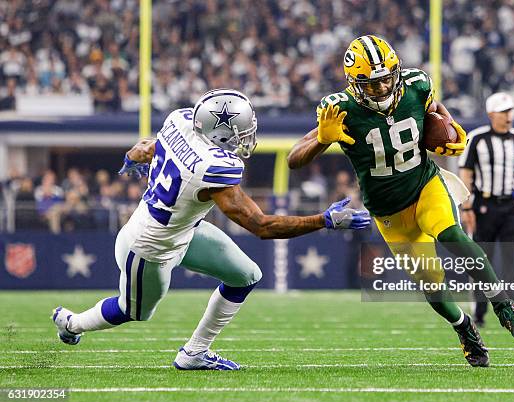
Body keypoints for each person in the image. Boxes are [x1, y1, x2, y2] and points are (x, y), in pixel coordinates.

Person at [51, 89, 370, 370]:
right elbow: (261, 226)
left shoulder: (180, 120)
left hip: (181, 231)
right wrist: (323, 220)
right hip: (149, 248)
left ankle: (195, 353)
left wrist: (130, 159)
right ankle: (71, 323)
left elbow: (145, 147)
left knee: (245, 275)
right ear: (221, 133)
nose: (246, 137)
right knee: (132, 310)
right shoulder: (215, 166)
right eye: (242, 131)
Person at [287, 35, 514, 368]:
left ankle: (504, 305)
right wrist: (321, 139)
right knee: (432, 285)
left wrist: (451, 128)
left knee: (452, 235)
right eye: (373, 84)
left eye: (388, 78)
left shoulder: (416, 84)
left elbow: (435, 113)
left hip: (424, 185)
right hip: (388, 210)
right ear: (354, 83)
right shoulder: (338, 109)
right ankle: (464, 327)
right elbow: (293, 159)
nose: (384, 87)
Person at [459, 92, 514, 326]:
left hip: (512, 206)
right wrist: (466, 207)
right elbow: (465, 173)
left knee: (512, 261)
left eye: (510, 111)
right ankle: (479, 311)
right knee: (479, 260)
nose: (509, 116)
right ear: (491, 114)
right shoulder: (476, 139)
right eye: (504, 112)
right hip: (483, 206)